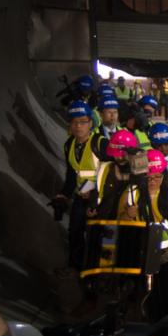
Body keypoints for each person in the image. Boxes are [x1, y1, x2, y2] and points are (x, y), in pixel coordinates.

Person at [118, 149, 168, 321]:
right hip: (140, 254)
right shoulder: (132, 193)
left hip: (165, 255)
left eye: (158, 177)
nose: (154, 181)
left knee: (164, 290)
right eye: (149, 178)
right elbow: (119, 223)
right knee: (142, 292)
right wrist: (128, 215)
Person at [54, 100, 109, 270]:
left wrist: (95, 194)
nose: (78, 126)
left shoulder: (100, 143)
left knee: (99, 235)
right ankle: (76, 268)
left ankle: (99, 272)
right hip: (81, 196)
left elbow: (111, 174)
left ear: (90, 123)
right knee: (75, 231)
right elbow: (72, 175)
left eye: (83, 122)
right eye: (74, 122)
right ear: (69, 124)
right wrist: (64, 194)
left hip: (101, 197)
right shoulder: (69, 145)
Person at [93, 129, 139, 219]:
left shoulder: (140, 173)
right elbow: (96, 193)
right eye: (116, 154)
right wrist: (91, 207)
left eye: (122, 155)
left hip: (129, 226)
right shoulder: (104, 168)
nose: (119, 157)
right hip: (104, 221)